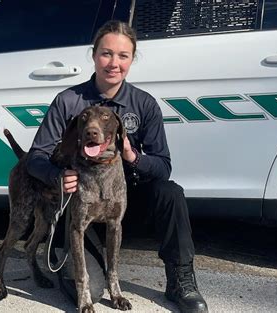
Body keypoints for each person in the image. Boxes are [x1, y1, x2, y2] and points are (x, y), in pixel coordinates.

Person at [26, 20, 209, 313]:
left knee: (170, 192)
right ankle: (73, 270)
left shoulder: (144, 104)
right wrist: (58, 176)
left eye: (123, 56)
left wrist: (131, 155)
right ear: (94, 54)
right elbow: (36, 156)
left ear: (131, 60)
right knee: (91, 293)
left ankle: (180, 280)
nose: (114, 63)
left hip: (123, 204)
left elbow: (163, 166)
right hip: (80, 210)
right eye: (106, 54)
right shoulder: (68, 101)